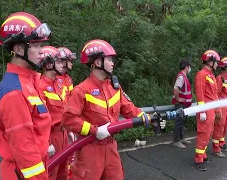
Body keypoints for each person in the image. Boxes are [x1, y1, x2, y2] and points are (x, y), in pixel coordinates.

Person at [61, 39, 167, 180]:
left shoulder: (114, 87)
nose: (112, 63)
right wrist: (95, 131)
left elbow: (129, 109)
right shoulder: (81, 90)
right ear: (98, 62)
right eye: (109, 60)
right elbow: (68, 120)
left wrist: (148, 117)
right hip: (89, 149)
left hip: (111, 148)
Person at [0, 12, 52, 179]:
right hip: (23, 173)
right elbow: (24, 149)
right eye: (36, 46)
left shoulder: (29, 81)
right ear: (18, 49)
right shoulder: (14, 91)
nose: (42, 52)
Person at [38, 46, 68, 180]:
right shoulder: (40, 86)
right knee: (51, 174)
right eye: (59, 62)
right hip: (51, 136)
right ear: (49, 64)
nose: (62, 64)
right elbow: (39, 119)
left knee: (64, 173)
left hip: (63, 134)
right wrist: (47, 143)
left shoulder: (59, 84)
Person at [194, 50, 222, 171]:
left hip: (211, 110)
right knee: (203, 134)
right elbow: (199, 93)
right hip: (205, 110)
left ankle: (203, 155)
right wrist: (203, 111)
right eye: (216, 62)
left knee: (209, 133)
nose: (217, 64)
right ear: (210, 61)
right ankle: (198, 159)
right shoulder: (202, 74)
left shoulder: (211, 76)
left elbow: (214, 95)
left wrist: (217, 109)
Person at [171, 59, 192, 148]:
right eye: (189, 67)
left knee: (183, 121)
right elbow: (176, 89)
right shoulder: (181, 77)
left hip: (185, 104)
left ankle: (181, 138)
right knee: (179, 121)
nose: (190, 68)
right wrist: (178, 98)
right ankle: (176, 141)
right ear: (186, 67)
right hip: (181, 104)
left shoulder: (184, 76)